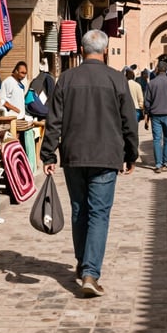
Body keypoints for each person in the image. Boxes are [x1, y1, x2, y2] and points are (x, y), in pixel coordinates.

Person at [41, 30, 138, 297]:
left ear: (81, 50)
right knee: (98, 214)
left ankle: (84, 263)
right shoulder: (117, 79)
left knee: (79, 210)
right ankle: (90, 273)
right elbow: (128, 120)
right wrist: (132, 154)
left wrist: (49, 154)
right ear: (104, 51)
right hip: (106, 156)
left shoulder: (67, 79)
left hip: (74, 155)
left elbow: (54, 121)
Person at [143, 60, 167, 173]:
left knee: (156, 139)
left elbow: (147, 102)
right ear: (166, 70)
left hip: (155, 115)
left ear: (157, 69)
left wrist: (146, 116)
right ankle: (165, 162)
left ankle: (158, 164)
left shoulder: (152, 83)